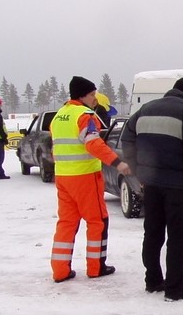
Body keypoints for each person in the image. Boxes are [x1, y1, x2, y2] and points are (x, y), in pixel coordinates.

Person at [121, 77, 183, 301]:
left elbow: (127, 139)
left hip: (151, 183)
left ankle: (152, 280)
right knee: (178, 236)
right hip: (177, 186)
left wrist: (138, 170)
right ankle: (174, 288)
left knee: (153, 233)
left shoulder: (145, 110)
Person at [50, 76, 132, 283]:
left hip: (63, 177)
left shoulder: (59, 115)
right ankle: (96, 267)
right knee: (97, 220)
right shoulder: (85, 116)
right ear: (82, 95)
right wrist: (117, 163)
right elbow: (93, 145)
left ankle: (60, 271)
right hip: (85, 177)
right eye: (92, 95)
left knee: (67, 222)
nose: (95, 99)